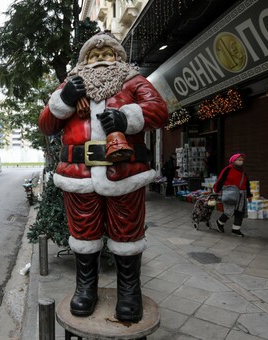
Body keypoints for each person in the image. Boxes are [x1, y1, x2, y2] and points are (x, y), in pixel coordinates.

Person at [38, 32, 168, 322]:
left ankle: (129, 292)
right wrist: (65, 99)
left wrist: (126, 118)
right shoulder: (70, 86)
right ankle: (85, 288)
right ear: (84, 61)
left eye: (107, 54)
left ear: (119, 59)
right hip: (79, 174)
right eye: (94, 56)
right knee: (84, 234)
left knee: (127, 233)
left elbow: (159, 110)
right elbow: (46, 124)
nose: (100, 60)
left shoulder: (133, 82)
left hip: (124, 172)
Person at [213, 153, 252, 237]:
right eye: (239, 160)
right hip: (230, 193)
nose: (241, 161)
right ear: (233, 161)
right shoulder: (228, 169)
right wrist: (216, 189)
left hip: (241, 195)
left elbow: (247, 184)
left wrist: (249, 195)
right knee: (229, 211)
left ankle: (236, 229)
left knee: (239, 212)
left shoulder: (243, 172)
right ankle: (219, 222)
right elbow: (221, 179)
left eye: (242, 160)